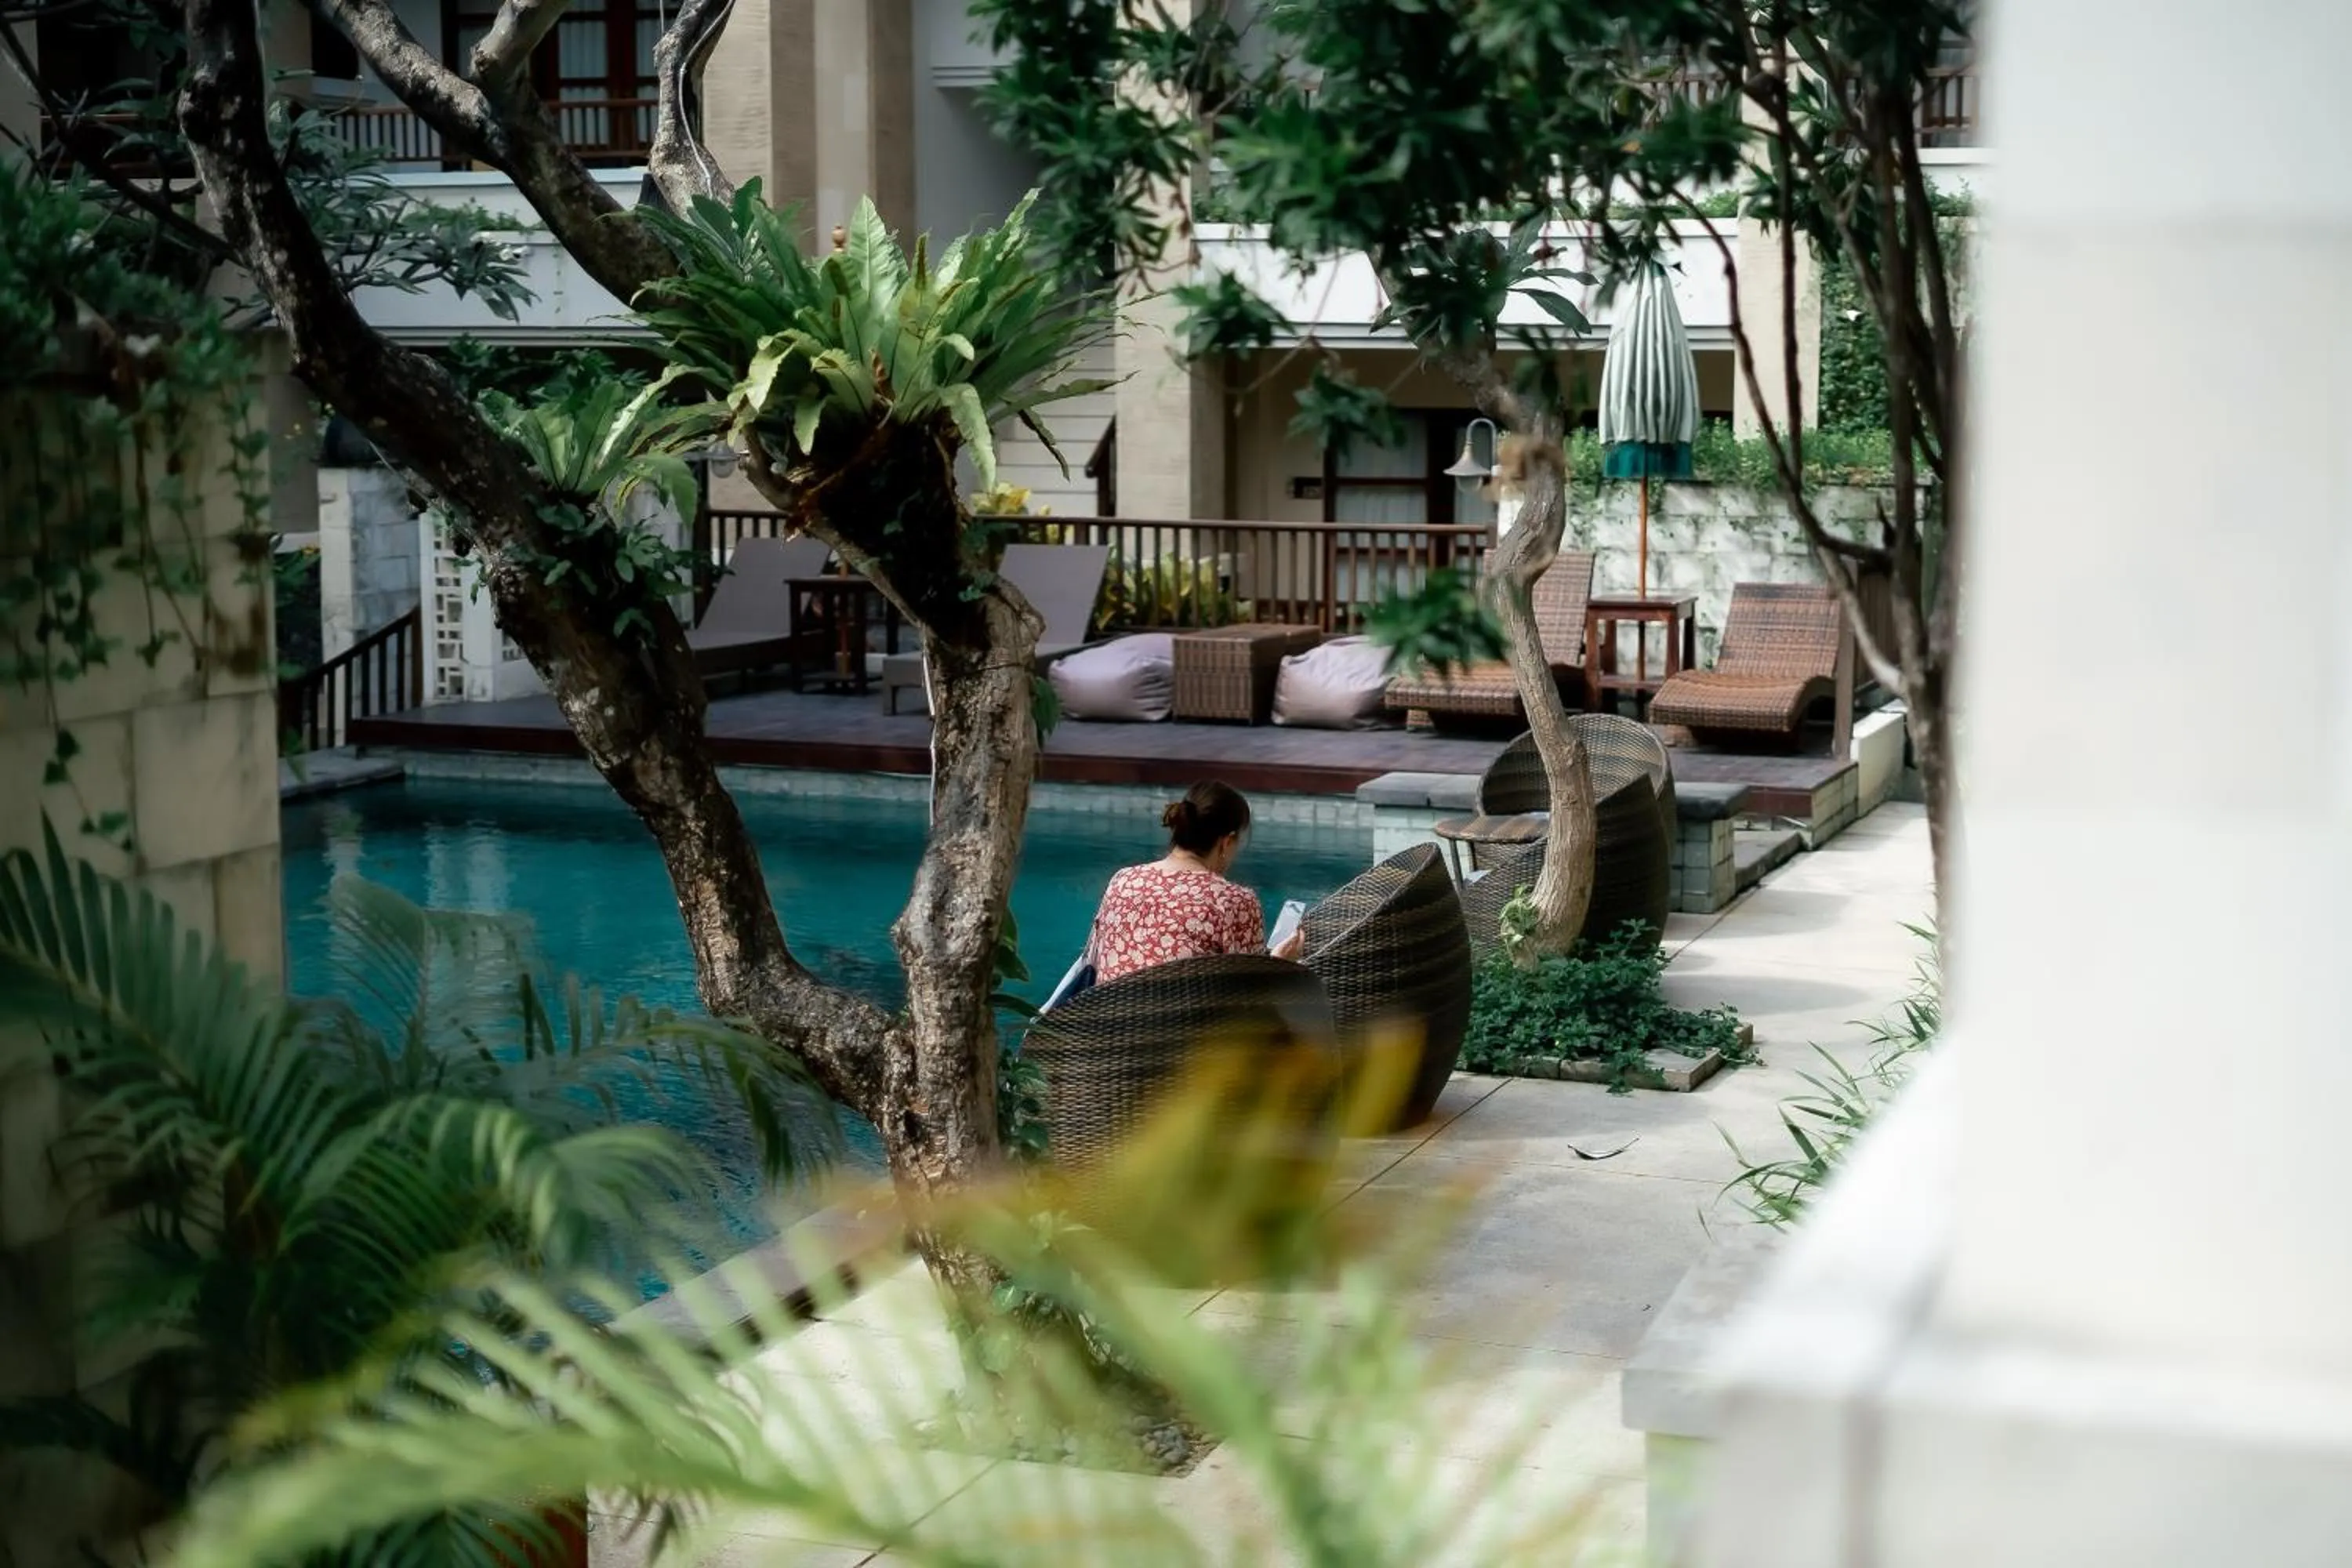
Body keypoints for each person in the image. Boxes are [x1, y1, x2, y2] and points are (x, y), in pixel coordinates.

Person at [1085, 781, 1304, 983]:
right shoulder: (1233, 901)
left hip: (1109, 1021)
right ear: (1226, 842)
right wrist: (1279, 965)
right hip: (1186, 1025)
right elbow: (1250, 995)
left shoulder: (1123, 881)